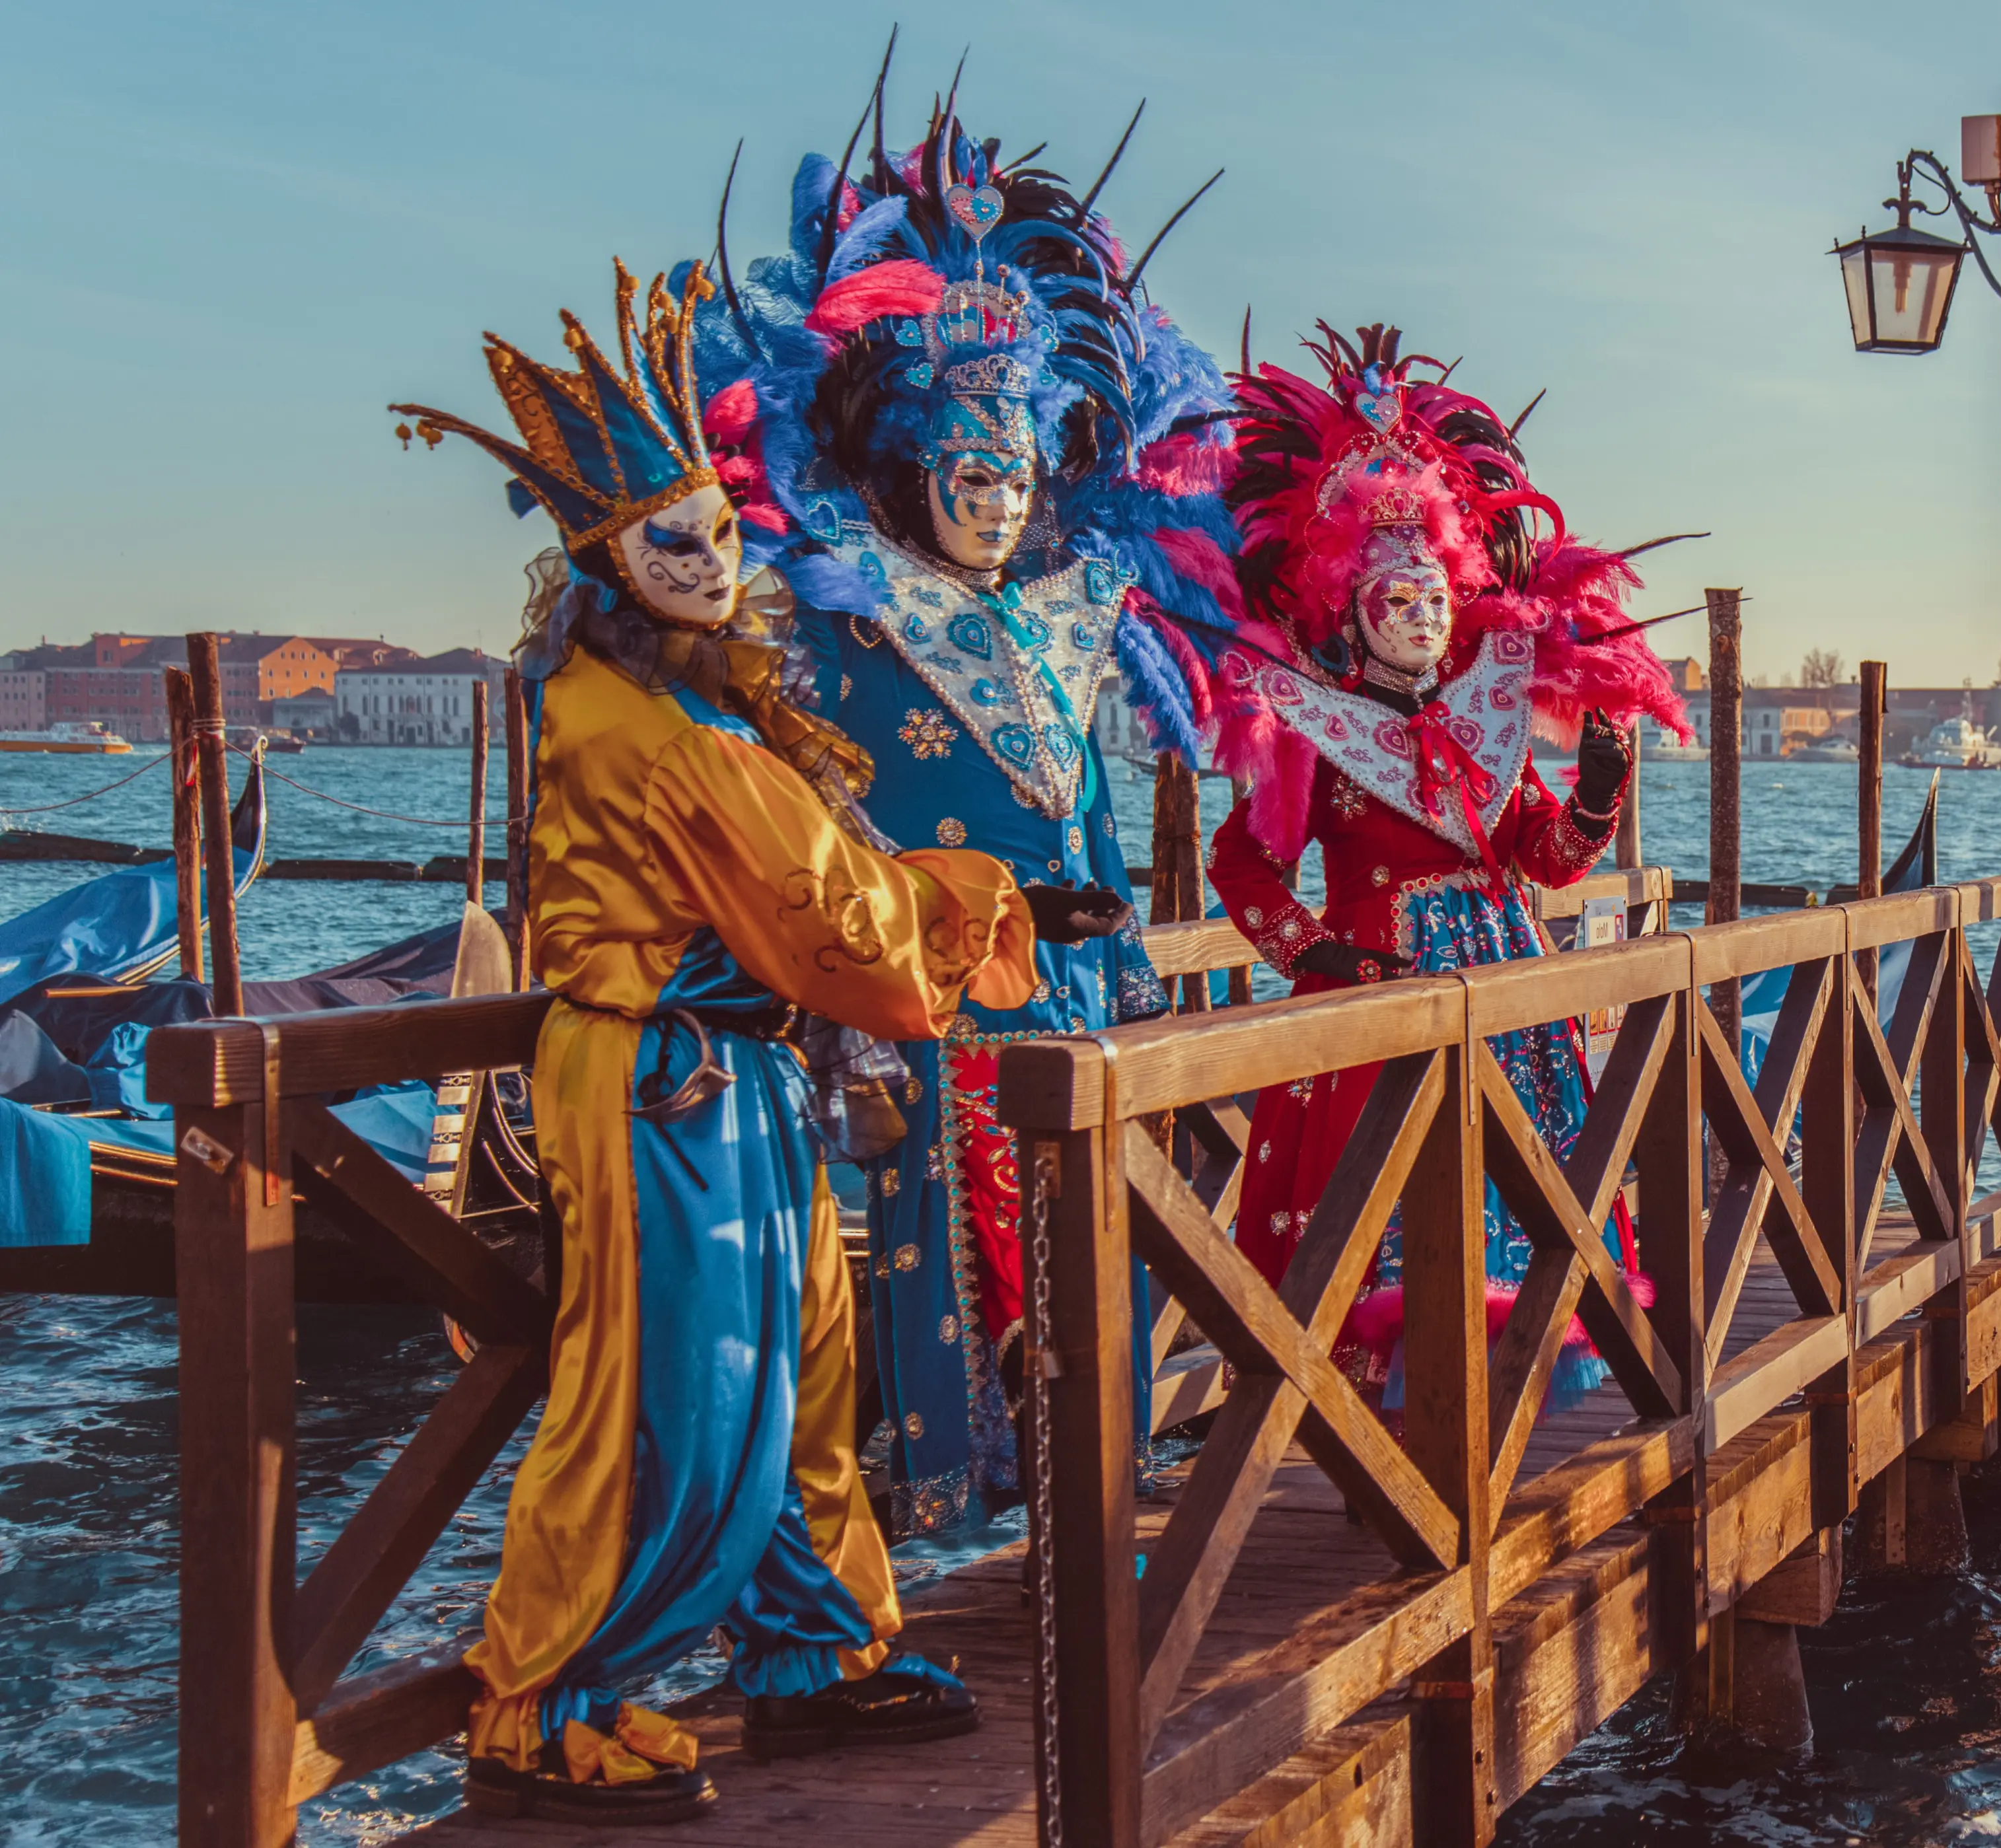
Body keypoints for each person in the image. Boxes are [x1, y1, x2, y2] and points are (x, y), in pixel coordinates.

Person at [390, 260, 1114, 1825]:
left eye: (721, 530)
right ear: (604, 553)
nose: (712, 561)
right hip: (667, 1083)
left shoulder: (692, 706)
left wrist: (937, 904)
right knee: (672, 1387)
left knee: (799, 1368)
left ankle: (813, 1644)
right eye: (674, 540)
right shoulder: (643, 731)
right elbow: (824, 915)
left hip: (742, 1078)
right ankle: (545, 1696)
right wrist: (987, 908)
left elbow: (816, 892)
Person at [702, 96, 1241, 1531]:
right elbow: (801, 796)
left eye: (1016, 475)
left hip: (1069, 992)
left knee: (1089, 1261)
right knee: (962, 1278)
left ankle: (1079, 1505)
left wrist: (1120, 949)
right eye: (969, 474)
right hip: (932, 995)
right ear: (914, 467)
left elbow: (1089, 806)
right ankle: (953, 1520)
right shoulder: (843, 607)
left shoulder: (1071, 611)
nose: (997, 504)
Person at [1201, 324, 1687, 1395]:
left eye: (1434, 599)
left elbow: (1546, 859)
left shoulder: (1484, 727)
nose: (1421, 620)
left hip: (1504, 987)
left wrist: (1600, 793)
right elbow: (1241, 862)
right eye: (1395, 602)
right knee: (1387, 1217)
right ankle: (1392, 1447)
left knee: (1525, 1202)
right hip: (1381, 996)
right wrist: (1314, 953)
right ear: (1349, 610)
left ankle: (1495, 1423)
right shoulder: (1314, 734)